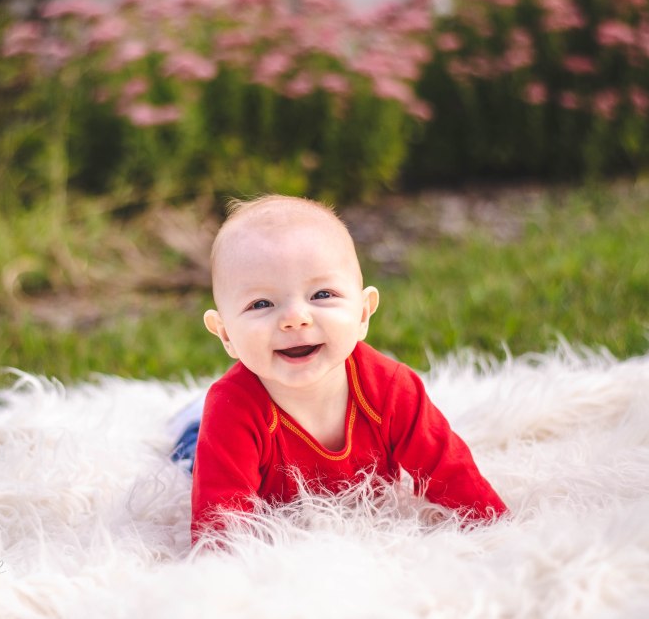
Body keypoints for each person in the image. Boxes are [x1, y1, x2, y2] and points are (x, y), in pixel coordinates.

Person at [179, 194, 507, 541]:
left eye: (321, 295)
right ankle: (188, 422)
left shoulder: (392, 389)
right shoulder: (230, 410)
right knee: (190, 448)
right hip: (211, 436)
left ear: (363, 313)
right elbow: (220, 529)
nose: (295, 318)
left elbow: (449, 468)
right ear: (226, 334)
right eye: (261, 303)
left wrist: (497, 530)